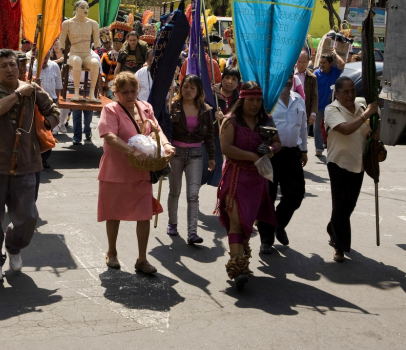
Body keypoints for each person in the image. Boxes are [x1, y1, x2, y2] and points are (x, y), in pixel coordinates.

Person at [0, 49, 60, 281]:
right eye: (4, 65)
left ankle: (13, 246)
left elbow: (54, 110)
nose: (9, 68)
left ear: (19, 67)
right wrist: (17, 94)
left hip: (27, 162)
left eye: (13, 64)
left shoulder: (32, 89)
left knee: (28, 217)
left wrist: (46, 123)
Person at [98, 72, 174, 274]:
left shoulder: (145, 107)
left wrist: (166, 145)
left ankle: (142, 259)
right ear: (116, 93)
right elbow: (110, 137)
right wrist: (131, 150)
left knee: (144, 215)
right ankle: (112, 252)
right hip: (115, 170)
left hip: (141, 171)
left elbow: (157, 130)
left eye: (133, 91)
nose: (130, 95)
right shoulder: (110, 109)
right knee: (113, 213)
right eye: (124, 92)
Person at [216, 81, 281, 289]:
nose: (254, 104)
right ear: (242, 99)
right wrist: (253, 156)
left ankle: (241, 257)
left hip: (257, 180)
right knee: (235, 222)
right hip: (235, 177)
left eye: (258, 100)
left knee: (246, 222)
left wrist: (270, 149)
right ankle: (238, 269)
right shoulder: (230, 121)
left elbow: (278, 142)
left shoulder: (267, 119)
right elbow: (226, 148)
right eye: (250, 100)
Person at [324, 76, 379, 262]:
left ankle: (332, 228)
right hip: (338, 163)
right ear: (337, 94)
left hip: (358, 164)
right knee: (340, 205)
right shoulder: (332, 109)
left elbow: (369, 131)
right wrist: (366, 116)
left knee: (349, 205)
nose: (350, 95)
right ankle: (340, 247)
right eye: (345, 92)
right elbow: (345, 129)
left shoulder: (362, 106)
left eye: (352, 91)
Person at [258, 74, 308, 254]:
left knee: (296, 194)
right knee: (268, 198)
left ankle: (278, 224)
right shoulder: (268, 101)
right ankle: (266, 239)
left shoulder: (299, 100)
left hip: (292, 153)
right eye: (283, 78)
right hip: (272, 155)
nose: (287, 81)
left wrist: (304, 150)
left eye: (289, 78)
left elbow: (302, 127)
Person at [167, 74, 215, 244]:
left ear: (198, 91)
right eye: (185, 87)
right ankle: (172, 223)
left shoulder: (205, 110)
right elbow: (165, 129)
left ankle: (192, 232)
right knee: (175, 191)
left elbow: (209, 135)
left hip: (196, 154)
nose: (188, 90)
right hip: (175, 153)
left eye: (192, 88)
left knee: (193, 195)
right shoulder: (173, 106)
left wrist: (211, 156)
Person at [32, 50, 62, 168]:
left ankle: (44, 159)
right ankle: (35, 158)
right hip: (35, 105)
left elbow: (58, 86)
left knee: (48, 133)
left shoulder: (54, 66)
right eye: (42, 58)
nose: (44, 62)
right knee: (36, 133)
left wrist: (57, 102)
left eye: (47, 58)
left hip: (50, 105)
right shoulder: (30, 67)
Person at [313, 49, 345, 156]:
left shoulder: (334, 72)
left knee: (332, 129)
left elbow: (342, 63)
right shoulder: (316, 74)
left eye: (324, 63)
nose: (321, 65)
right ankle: (318, 148)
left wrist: (335, 53)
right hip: (318, 106)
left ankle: (332, 148)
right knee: (316, 128)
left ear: (330, 63)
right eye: (320, 62)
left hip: (331, 106)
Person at [295, 50, 318, 126]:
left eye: (304, 62)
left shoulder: (312, 77)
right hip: (291, 112)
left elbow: (314, 97)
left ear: (308, 62)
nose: (301, 64)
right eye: (299, 61)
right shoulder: (289, 75)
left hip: (305, 113)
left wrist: (313, 113)